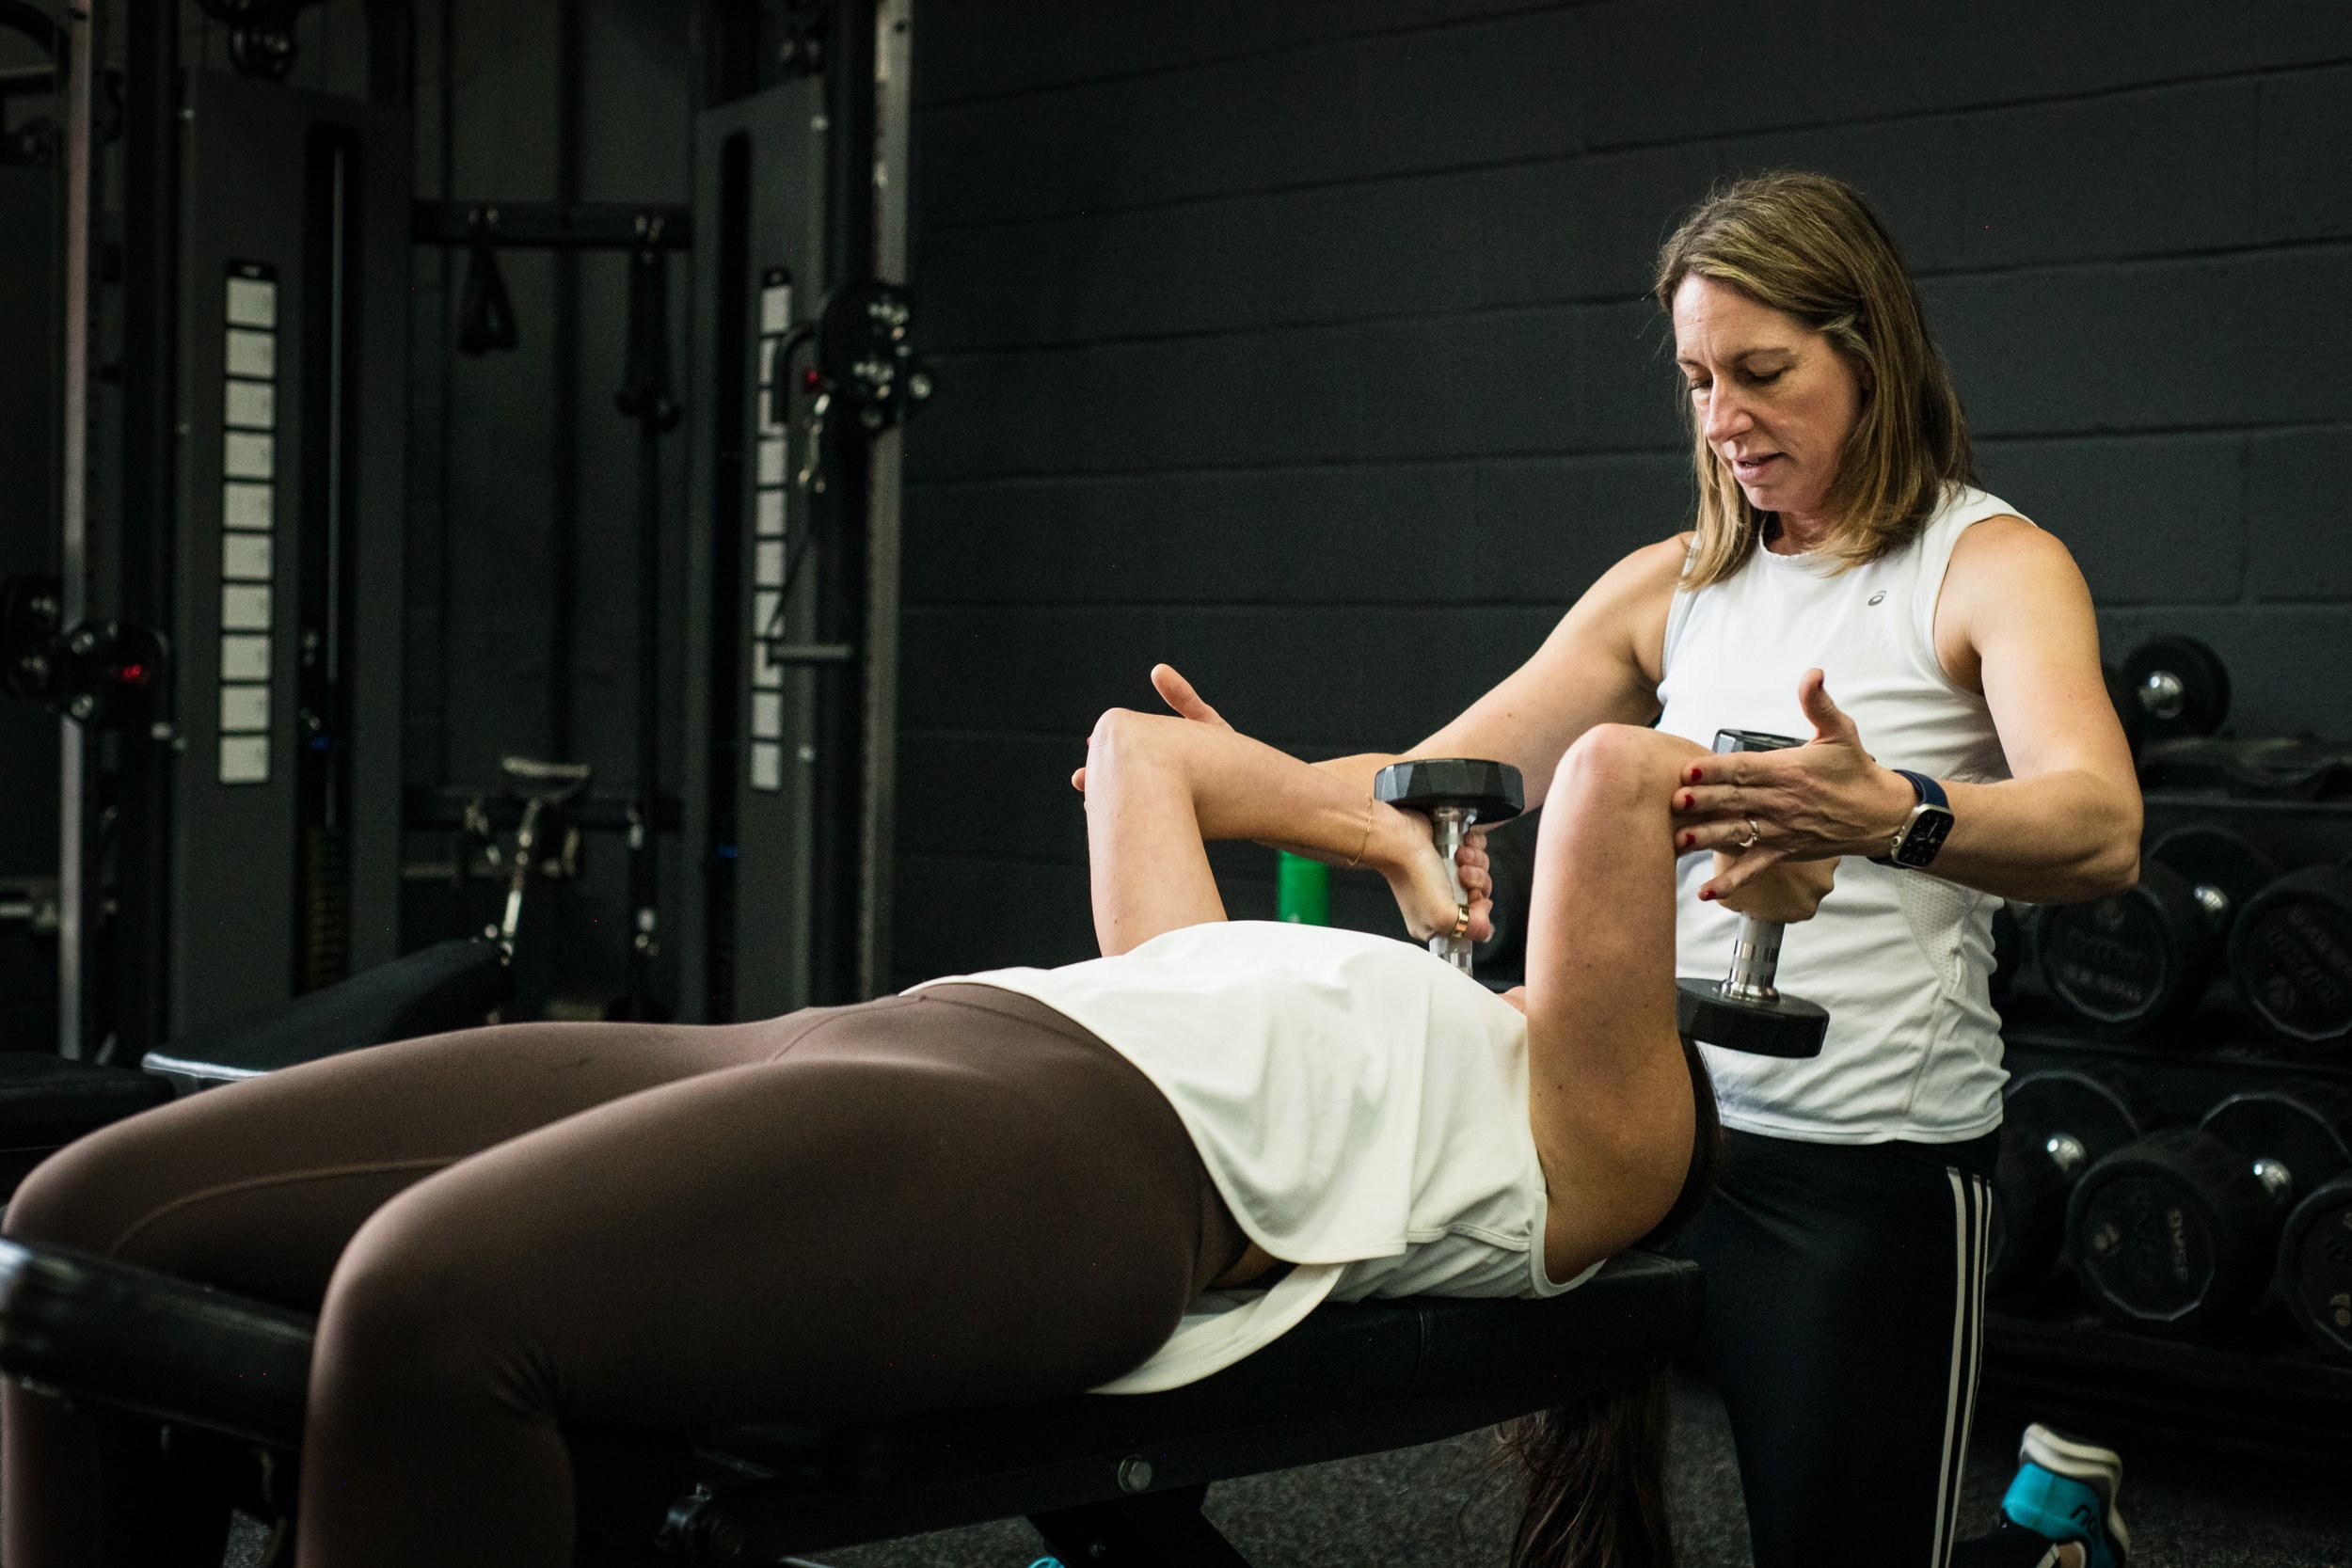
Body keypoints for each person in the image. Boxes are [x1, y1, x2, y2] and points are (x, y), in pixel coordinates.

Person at [0, 697, 1815, 1568]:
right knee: (82, 1216)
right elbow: (1135, 750)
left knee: (429, 1307)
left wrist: (1811, 831)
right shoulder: (1269, 980)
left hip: (1088, 1166)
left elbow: (1608, 780)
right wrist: (1389, 844)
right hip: (888, 1041)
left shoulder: (1609, 1150)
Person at [1134, 171, 2141, 1568]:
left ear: (1871, 352)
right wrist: (1248, 781)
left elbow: (2100, 827)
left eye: (1762, 372)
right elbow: (1447, 780)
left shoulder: (1985, 567)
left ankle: (2049, 1544)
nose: (1723, 418)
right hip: (1648, 1142)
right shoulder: (1667, 586)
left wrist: (1888, 811)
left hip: (1864, 1163)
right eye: (1695, 380)